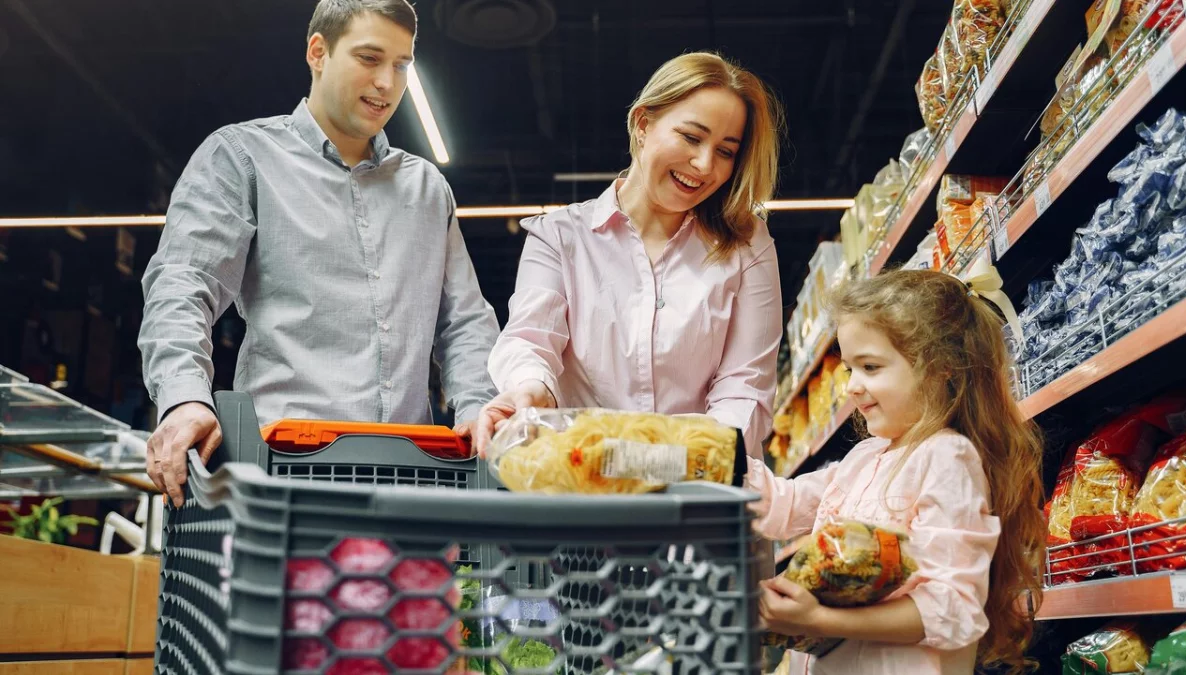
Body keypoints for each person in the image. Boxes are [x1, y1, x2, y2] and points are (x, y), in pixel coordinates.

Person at [139, 0, 498, 506]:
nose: (387, 84)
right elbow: (182, 285)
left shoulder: (426, 189)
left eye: (401, 65)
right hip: (282, 478)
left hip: (412, 480)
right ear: (318, 52)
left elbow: (463, 322)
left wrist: (479, 411)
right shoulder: (243, 158)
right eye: (370, 59)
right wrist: (183, 398)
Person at [473, 51, 784, 458]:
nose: (705, 164)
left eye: (726, 151)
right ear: (643, 124)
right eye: (691, 137)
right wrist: (531, 390)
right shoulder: (561, 237)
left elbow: (745, 386)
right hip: (584, 483)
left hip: (701, 491)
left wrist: (674, 460)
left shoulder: (747, 245)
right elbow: (531, 340)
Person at [750, 269, 1045, 674]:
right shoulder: (863, 460)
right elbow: (782, 506)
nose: (851, 387)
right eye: (849, 369)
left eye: (870, 367)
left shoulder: (947, 457)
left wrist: (819, 621)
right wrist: (701, 455)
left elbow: (952, 608)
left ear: (942, 368)